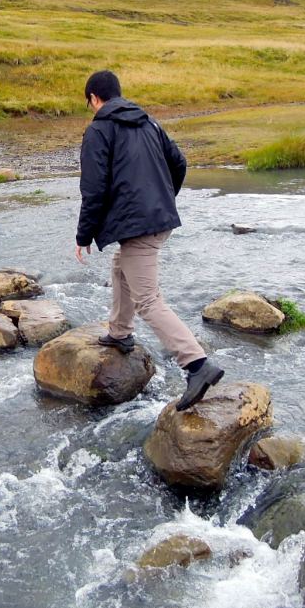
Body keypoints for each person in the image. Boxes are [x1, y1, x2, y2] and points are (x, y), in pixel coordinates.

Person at [74, 70, 224, 410]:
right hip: (158, 218)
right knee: (120, 266)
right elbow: (179, 163)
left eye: (89, 103)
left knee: (148, 300)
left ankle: (197, 365)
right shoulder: (149, 123)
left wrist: (84, 235)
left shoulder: (99, 129)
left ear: (94, 98)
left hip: (140, 225)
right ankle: (120, 331)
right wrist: (163, 199)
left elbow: (93, 188)